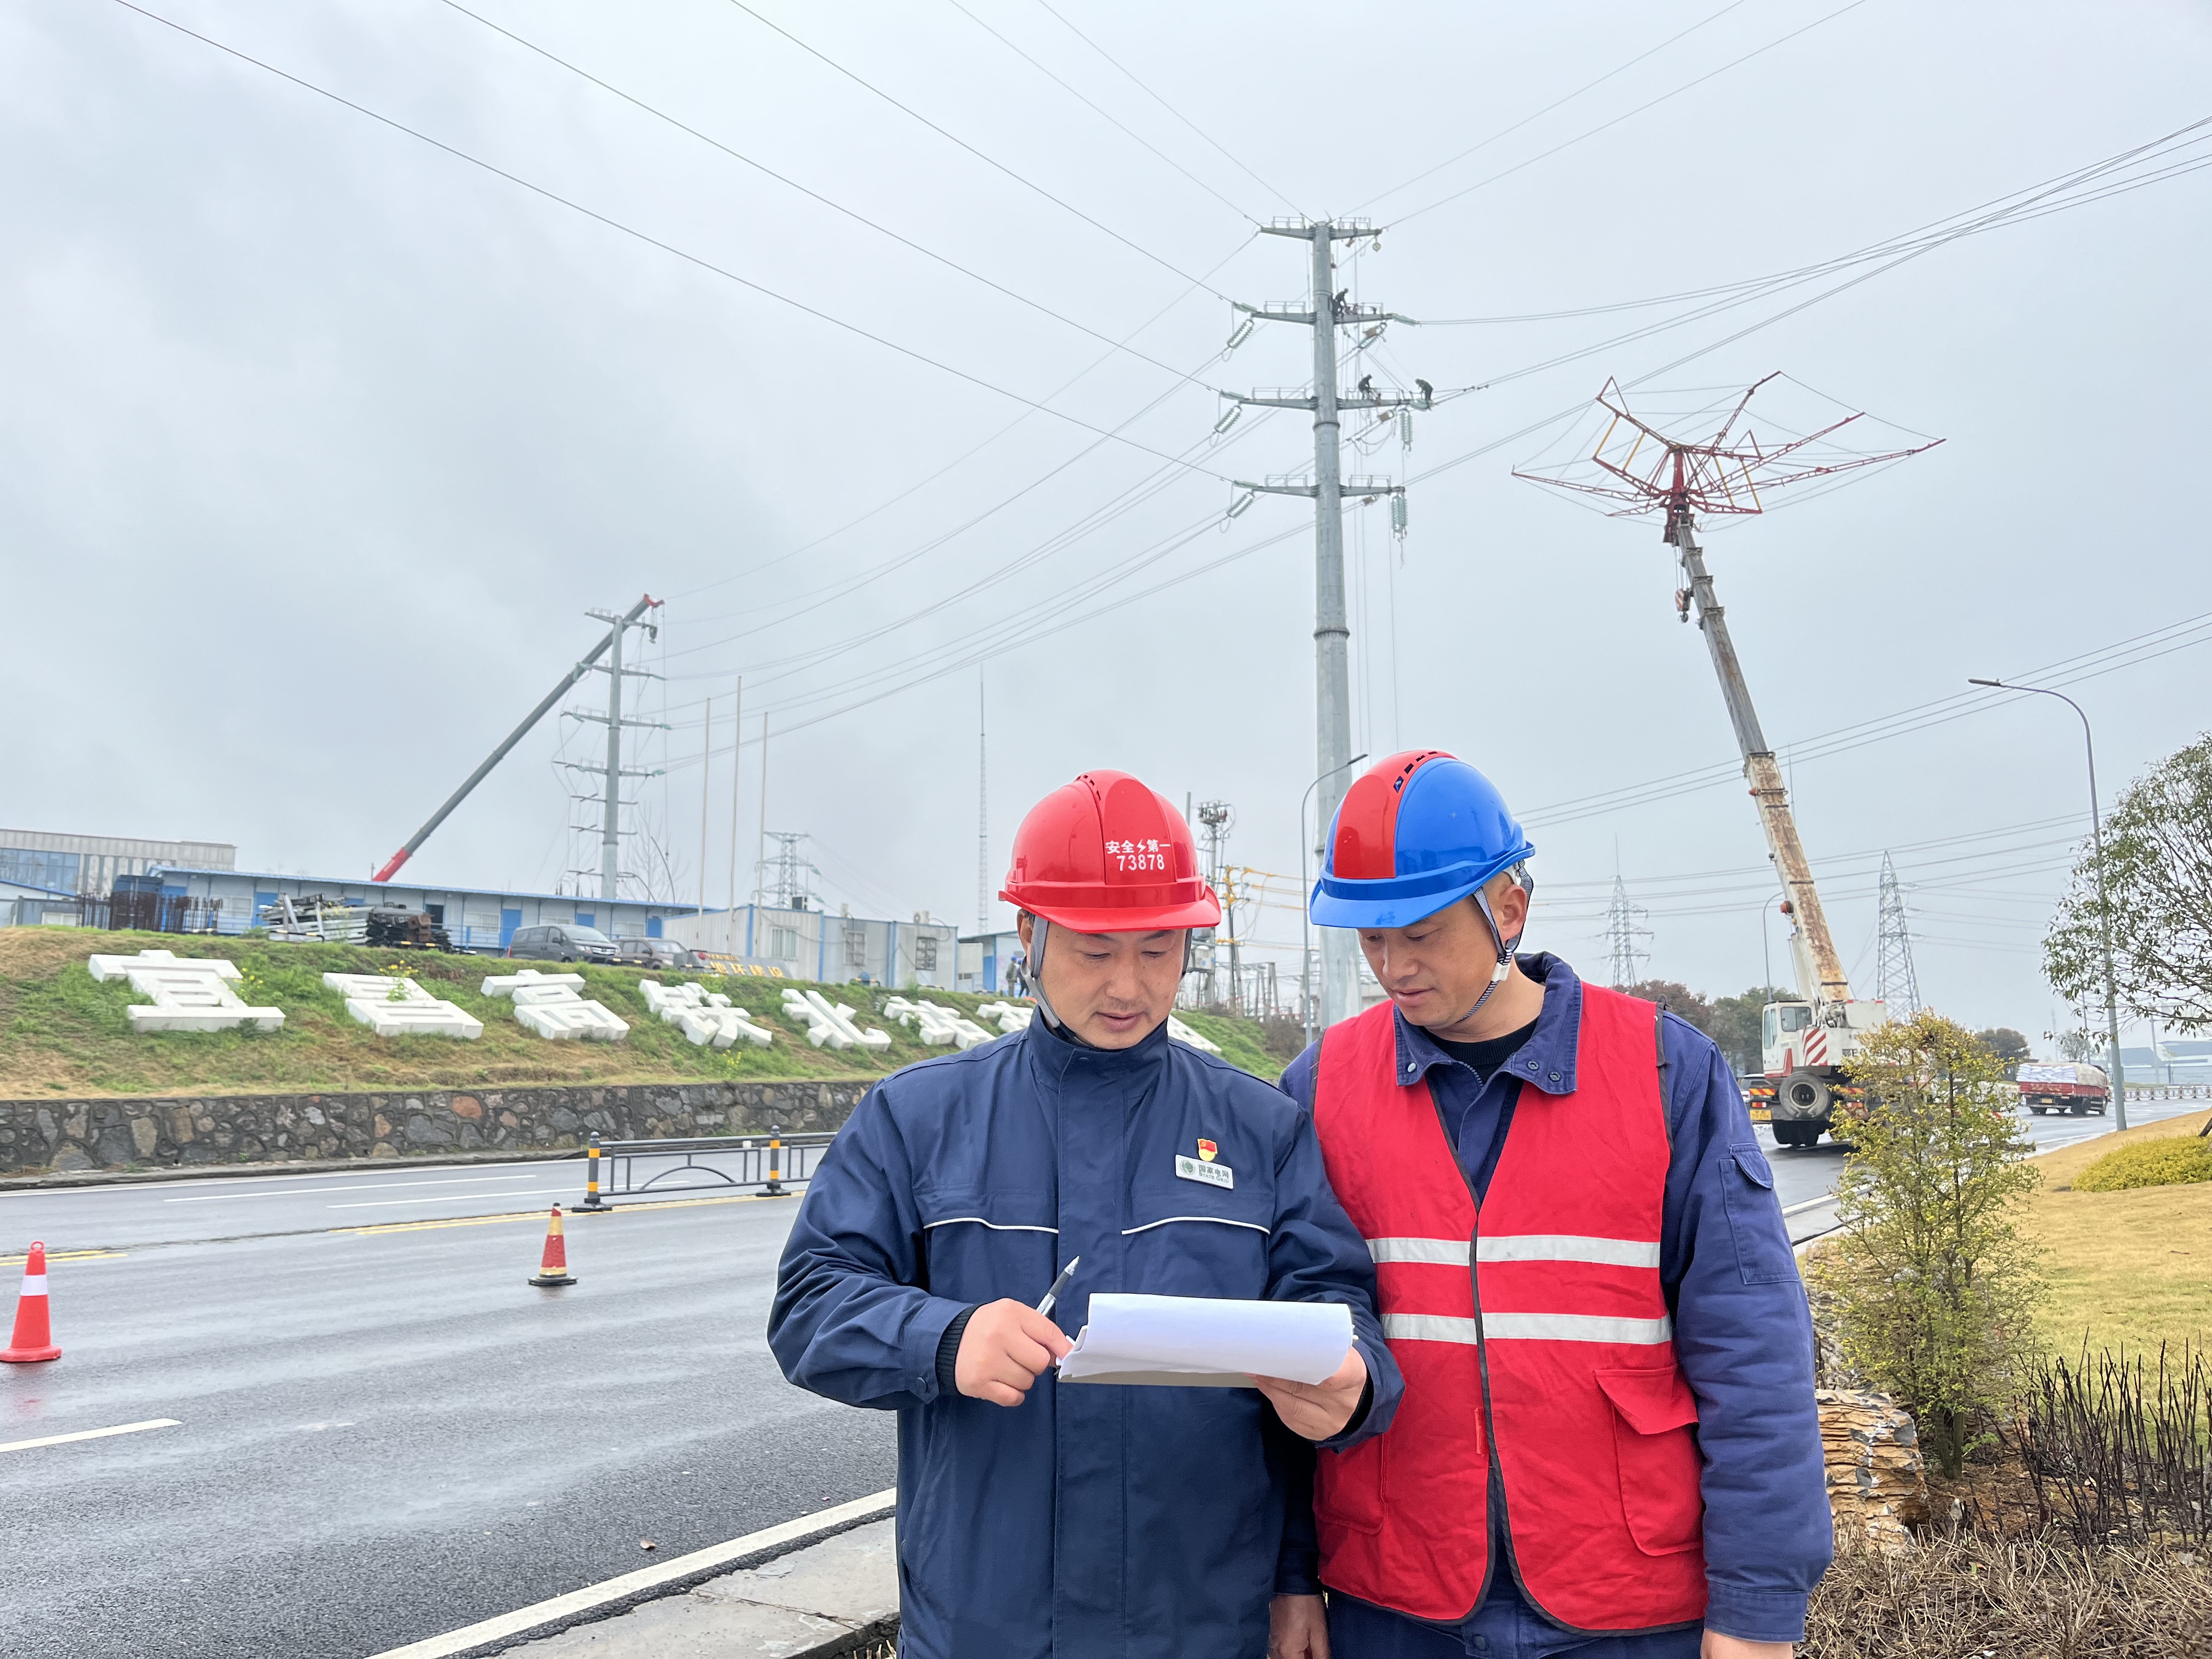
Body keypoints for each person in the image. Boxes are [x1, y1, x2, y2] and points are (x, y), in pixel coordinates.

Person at [771, 769, 1403, 1659]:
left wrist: (1352, 1396)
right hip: (985, 1625)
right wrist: (944, 1340)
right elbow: (809, 1306)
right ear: (1028, 934)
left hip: (1199, 1624)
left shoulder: (1259, 1128)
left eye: (1158, 950)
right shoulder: (920, 1117)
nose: (1129, 987)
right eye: (1095, 952)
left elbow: (1334, 1321)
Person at [1278, 751, 1831, 1659]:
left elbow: (1754, 1355)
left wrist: (1758, 1611)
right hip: (1397, 1600)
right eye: (1371, 940)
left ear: (1508, 909)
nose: (1393, 967)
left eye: (1419, 933)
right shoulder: (1322, 1087)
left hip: (1628, 1602)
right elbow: (1291, 1350)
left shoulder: (1665, 1073)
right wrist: (1291, 1576)